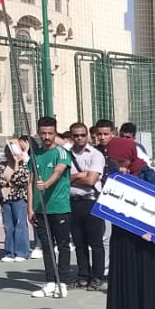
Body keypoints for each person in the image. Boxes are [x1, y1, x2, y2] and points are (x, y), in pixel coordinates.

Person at [102, 137, 155, 309]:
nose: (118, 165)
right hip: (122, 235)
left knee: (147, 276)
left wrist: (153, 231)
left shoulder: (147, 174)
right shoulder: (113, 175)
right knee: (124, 275)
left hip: (145, 239)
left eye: (121, 160)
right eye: (114, 161)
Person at [30, 116, 74, 298]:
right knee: (47, 246)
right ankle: (50, 282)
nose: (47, 136)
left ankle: (62, 282)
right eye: (43, 133)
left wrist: (46, 184)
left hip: (60, 208)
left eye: (50, 133)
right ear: (38, 134)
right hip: (41, 210)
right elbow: (30, 182)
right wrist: (30, 209)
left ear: (55, 133)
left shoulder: (62, 153)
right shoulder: (35, 155)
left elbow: (58, 171)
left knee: (62, 246)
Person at [65, 122, 107, 290]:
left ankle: (97, 276)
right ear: (71, 136)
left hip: (91, 200)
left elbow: (91, 180)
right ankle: (83, 276)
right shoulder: (66, 155)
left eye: (83, 135)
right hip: (72, 201)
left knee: (95, 242)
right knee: (78, 242)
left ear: (87, 135)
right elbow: (61, 178)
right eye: (76, 135)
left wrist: (71, 178)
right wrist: (79, 175)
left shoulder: (96, 155)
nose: (80, 138)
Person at [0, 138, 32, 262]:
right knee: (8, 226)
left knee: (20, 225)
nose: (9, 153)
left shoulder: (25, 165)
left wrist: (17, 163)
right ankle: (9, 252)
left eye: (11, 150)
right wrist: (8, 181)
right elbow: (0, 181)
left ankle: (22, 252)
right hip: (5, 198)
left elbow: (20, 180)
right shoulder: (1, 165)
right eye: (7, 150)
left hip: (19, 198)